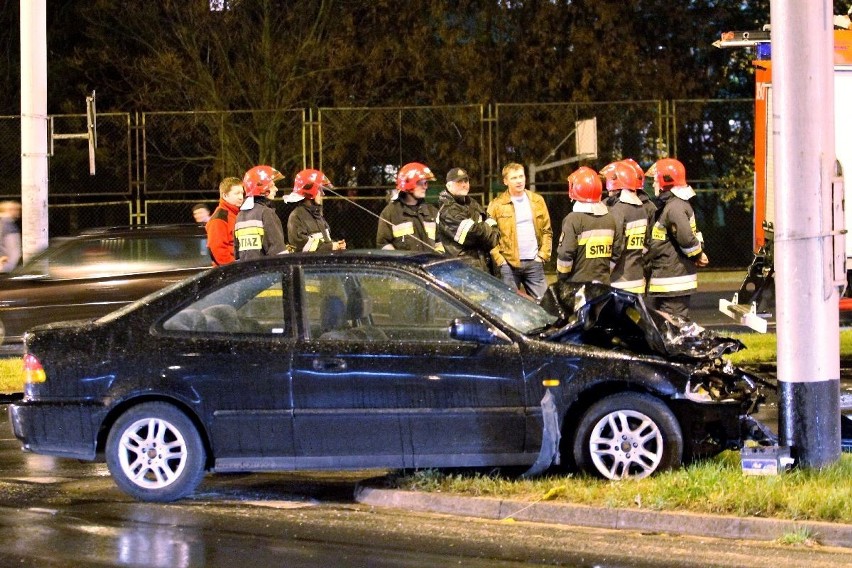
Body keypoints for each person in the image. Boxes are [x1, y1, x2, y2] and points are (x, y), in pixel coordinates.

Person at [645, 158, 709, 319]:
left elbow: (686, 238)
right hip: (668, 279)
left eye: (655, 181)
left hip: (672, 281)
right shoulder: (673, 205)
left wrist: (698, 254)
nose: (653, 185)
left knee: (674, 327)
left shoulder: (675, 207)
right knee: (665, 325)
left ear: (665, 181)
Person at [487, 162, 552, 300]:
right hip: (508, 266)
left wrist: (542, 256)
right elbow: (489, 237)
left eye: (521, 176)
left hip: (534, 263)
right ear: (505, 181)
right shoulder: (496, 205)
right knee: (511, 308)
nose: (519, 181)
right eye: (514, 178)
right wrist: (500, 260)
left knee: (546, 307)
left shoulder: (537, 200)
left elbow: (547, 231)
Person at [556, 167, 616, 283]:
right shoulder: (610, 218)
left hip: (578, 286)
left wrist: (562, 278)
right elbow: (616, 252)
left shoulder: (573, 219)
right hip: (604, 285)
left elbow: (565, 254)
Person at [600, 161, 653, 293]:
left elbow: (616, 247)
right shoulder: (641, 208)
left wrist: (606, 272)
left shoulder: (618, 211)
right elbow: (646, 244)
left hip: (619, 283)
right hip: (637, 278)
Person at [436, 167, 499, 272]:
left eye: (466, 181)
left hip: (482, 268)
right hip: (462, 272)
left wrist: (484, 231)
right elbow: (473, 234)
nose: (464, 184)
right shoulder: (447, 211)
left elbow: (493, 227)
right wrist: (487, 231)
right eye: (459, 181)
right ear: (448, 185)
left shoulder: (472, 203)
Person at [376, 162, 445, 253]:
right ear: (408, 184)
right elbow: (383, 244)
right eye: (422, 183)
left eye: (426, 183)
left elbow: (440, 242)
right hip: (404, 266)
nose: (426, 187)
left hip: (428, 265)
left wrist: (437, 258)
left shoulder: (432, 212)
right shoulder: (390, 213)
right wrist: (401, 261)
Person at [234, 165, 289, 261]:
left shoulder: (240, 215)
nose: (276, 189)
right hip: (266, 272)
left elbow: (237, 252)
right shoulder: (266, 213)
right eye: (272, 185)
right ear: (262, 188)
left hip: (247, 272)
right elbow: (278, 252)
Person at [284, 168, 346, 252]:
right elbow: (301, 245)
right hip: (309, 264)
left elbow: (324, 242)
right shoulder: (296, 216)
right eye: (319, 189)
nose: (322, 194)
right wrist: (331, 247)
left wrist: (336, 245)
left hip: (322, 262)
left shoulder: (317, 215)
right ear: (310, 192)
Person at [205, 177, 244, 266]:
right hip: (229, 272)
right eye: (237, 193)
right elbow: (218, 250)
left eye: (242, 193)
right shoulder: (219, 218)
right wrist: (234, 269)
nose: (241, 197)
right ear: (225, 195)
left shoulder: (234, 214)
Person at [0, 200, 22, 272]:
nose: (17, 212)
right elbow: (14, 250)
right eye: (15, 209)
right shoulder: (9, 225)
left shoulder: (3, 223)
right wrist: (8, 268)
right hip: (4, 265)